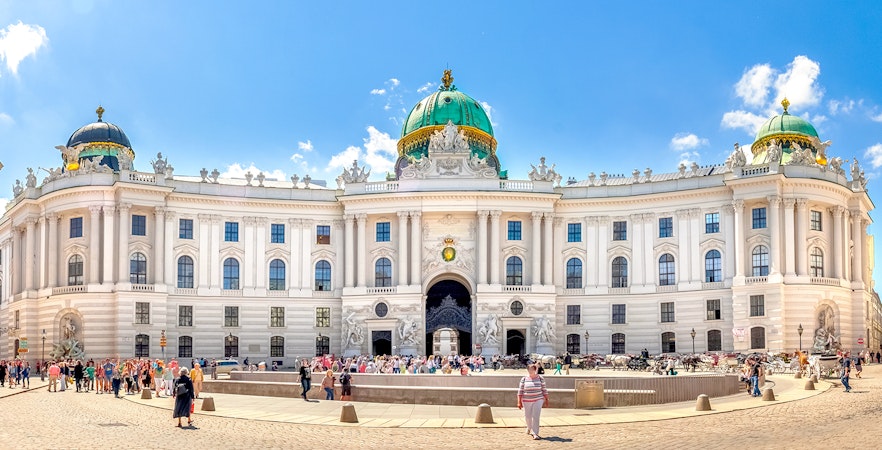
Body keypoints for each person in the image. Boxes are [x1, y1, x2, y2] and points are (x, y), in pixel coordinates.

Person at [517, 363, 549, 440]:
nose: (530, 371)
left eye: (532, 369)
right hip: (526, 400)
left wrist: (546, 399)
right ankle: (529, 427)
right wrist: (519, 402)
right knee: (528, 416)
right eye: (529, 369)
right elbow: (520, 391)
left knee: (536, 416)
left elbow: (544, 389)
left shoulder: (540, 378)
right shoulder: (524, 379)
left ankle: (535, 433)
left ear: (535, 370)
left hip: (538, 399)